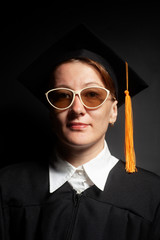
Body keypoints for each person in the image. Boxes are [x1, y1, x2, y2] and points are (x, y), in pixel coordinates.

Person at [0, 24, 160, 240]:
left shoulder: (152, 196)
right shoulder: (7, 187)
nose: (76, 109)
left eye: (92, 95)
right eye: (63, 96)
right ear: (51, 111)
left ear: (114, 111)